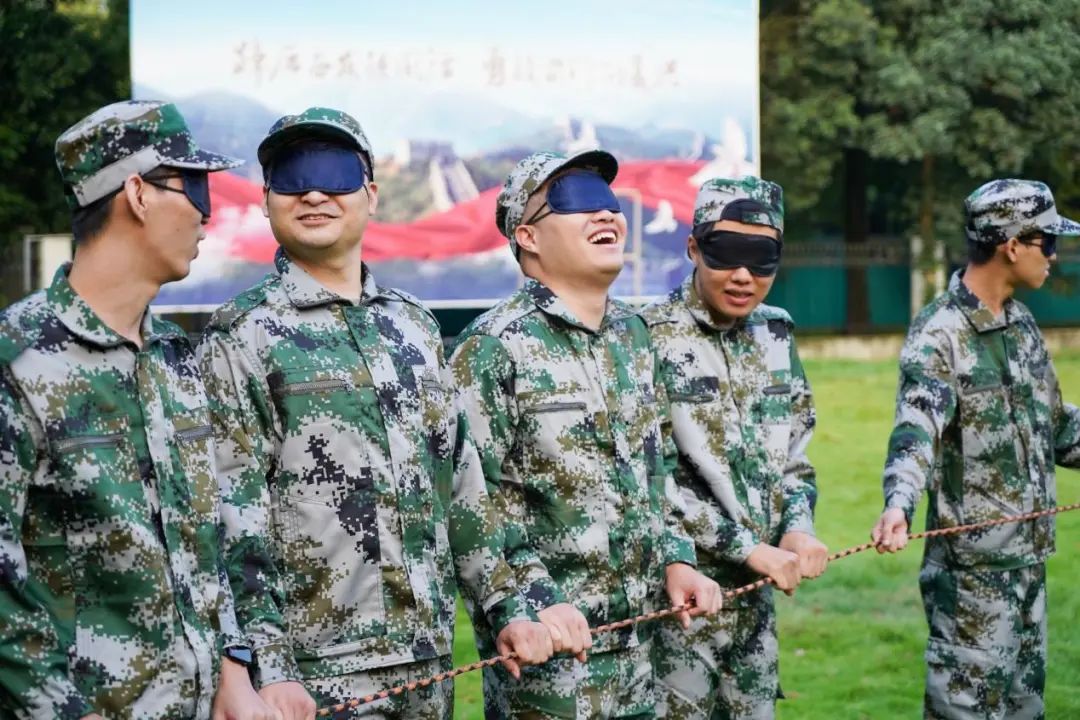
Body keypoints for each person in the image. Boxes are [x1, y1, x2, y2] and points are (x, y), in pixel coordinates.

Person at [197, 108, 552, 720]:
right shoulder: (241, 336)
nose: (313, 193)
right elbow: (231, 517)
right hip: (315, 678)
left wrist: (506, 606)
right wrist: (270, 668)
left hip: (429, 663)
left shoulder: (413, 326)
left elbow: (461, 485)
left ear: (371, 194)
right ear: (266, 200)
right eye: (292, 176)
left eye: (335, 174)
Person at [0, 100, 273, 719]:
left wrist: (233, 667)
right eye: (195, 187)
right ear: (138, 193)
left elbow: (206, 547)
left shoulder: (176, 357)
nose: (207, 213)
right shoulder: (17, 360)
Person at [448, 149, 722, 719]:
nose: (606, 215)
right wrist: (535, 602)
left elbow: (656, 473)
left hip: (642, 648)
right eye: (576, 201)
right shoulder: (493, 347)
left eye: (609, 202)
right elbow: (469, 501)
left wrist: (677, 559)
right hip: (549, 659)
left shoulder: (633, 336)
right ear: (528, 236)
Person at [871, 179, 1080, 719]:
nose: (1054, 255)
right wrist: (898, 503)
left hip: (1029, 567)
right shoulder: (939, 334)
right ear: (1012, 245)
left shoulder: (1022, 325)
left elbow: (1057, 428)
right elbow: (916, 429)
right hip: (971, 582)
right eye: (1048, 243)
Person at [643, 176, 826, 719]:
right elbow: (648, 476)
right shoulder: (645, 337)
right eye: (726, 252)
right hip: (679, 598)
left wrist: (798, 526)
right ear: (694, 247)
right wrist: (746, 546)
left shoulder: (776, 334)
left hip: (757, 601)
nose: (744, 275)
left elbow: (794, 457)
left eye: (762, 257)